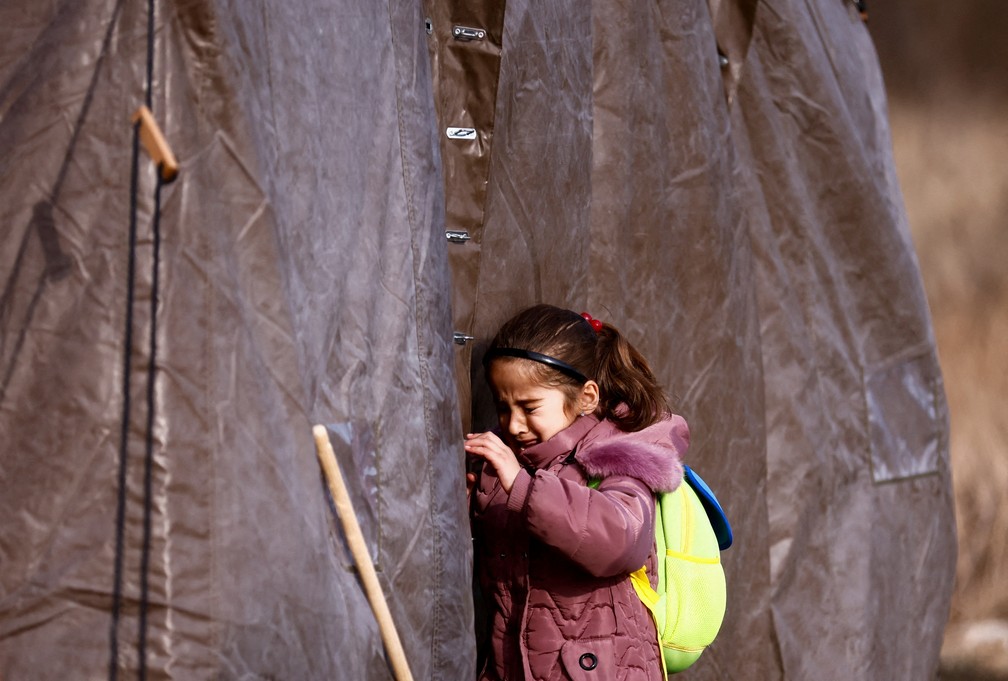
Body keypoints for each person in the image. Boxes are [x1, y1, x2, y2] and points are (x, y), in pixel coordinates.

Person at [464, 304, 689, 681]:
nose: (514, 424)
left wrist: (521, 487)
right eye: (503, 407)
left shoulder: (616, 455)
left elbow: (621, 540)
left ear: (585, 397)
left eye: (529, 406)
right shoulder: (508, 465)